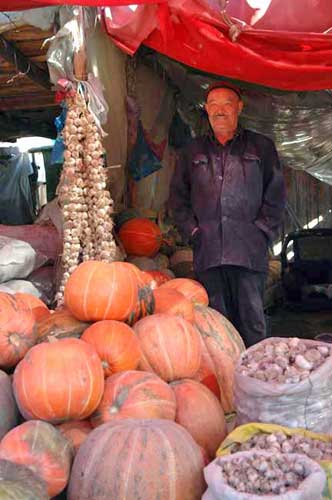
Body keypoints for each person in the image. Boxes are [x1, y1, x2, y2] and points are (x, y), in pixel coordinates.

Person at [168, 82, 286, 346]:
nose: (220, 111)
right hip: (208, 251)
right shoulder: (192, 152)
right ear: (207, 110)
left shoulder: (261, 147)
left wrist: (262, 233)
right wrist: (193, 232)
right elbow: (177, 199)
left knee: (252, 323)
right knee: (217, 329)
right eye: (214, 105)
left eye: (227, 104)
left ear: (239, 108)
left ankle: (256, 382)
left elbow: (275, 196)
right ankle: (227, 384)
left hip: (248, 251)